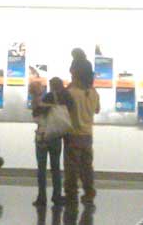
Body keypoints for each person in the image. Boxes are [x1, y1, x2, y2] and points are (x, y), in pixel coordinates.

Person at [63, 55, 100, 208]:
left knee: (71, 168)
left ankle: (71, 195)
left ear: (76, 73)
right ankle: (89, 193)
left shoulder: (71, 92)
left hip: (73, 135)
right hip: (87, 134)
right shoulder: (93, 92)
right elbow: (97, 110)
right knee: (87, 167)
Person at [32, 76, 68, 206]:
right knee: (56, 168)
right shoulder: (65, 98)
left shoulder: (47, 97)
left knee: (41, 169)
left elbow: (36, 115)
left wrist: (39, 104)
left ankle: (42, 197)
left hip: (42, 136)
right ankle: (57, 196)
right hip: (56, 137)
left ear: (51, 86)